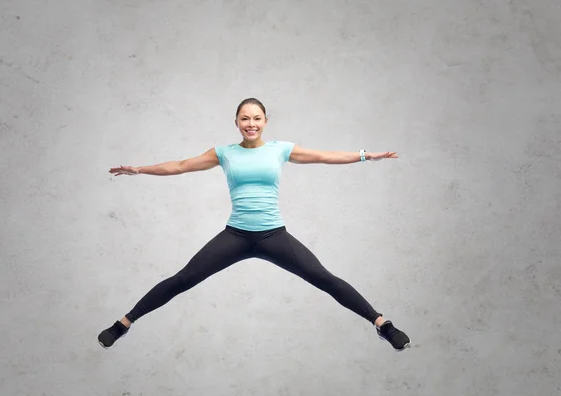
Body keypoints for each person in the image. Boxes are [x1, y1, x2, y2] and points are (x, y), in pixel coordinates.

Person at [98, 98, 410, 351]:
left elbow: (323, 156)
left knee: (322, 277)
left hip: (273, 235)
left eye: (257, 118)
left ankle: (382, 324)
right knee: (184, 279)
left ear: (265, 122)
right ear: (236, 123)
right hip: (236, 235)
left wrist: (365, 155)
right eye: (245, 118)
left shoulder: (280, 149)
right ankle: (123, 323)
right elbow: (180, 166)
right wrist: (139, 170)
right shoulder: (224, 153)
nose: (251, 124)